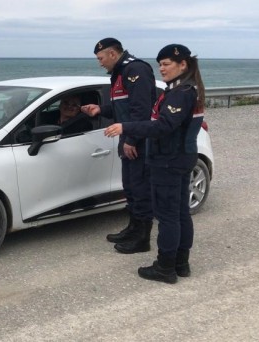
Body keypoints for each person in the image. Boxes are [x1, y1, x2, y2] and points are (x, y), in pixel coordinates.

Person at [103, 44, 205, 283]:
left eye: (167, 64)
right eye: (160, 64)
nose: (162, 69)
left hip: (168, 161)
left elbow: (163, 126)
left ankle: (165, 267)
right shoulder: (189, 89)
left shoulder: (181, 92)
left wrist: (126, 127)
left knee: (168, 216)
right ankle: (181, 263)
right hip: (181, 158)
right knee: (180, 213)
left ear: (183, 65)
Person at [80, 38, 156, 254]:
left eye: (100, 58)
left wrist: (132, 140)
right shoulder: (120, 73)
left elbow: (141, 111)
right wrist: (100, 110)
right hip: (128, 138)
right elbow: (122, 109)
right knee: (130, 187)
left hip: (138, 140)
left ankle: (142, 239)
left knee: (140, 189)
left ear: (112, 54)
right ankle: (133, 229)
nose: (100, 63)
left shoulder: (135, 70)